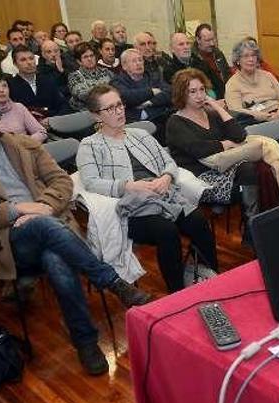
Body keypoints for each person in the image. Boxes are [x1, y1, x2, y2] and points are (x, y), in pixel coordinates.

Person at [0, 90, 151, 375]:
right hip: (8, 240)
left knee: (55, 259)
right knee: (44, 228)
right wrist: (17, 209)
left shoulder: (20, 144)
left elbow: (60, 180)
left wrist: (44, 205)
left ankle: (85, 341)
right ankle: (112, 282)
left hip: (51, 227)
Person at [76, 84, 218, 293]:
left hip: (163, 194)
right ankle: (178, 292)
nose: (119, 111)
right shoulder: (89, 145)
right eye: (110, 108)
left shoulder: (140, 134)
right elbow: (90, 182)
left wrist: (167, 177)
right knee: (166, 231)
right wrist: (128, 186)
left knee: (198, 221)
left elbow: (168, 162)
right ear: (96, 116)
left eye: (120, 105)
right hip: (132, 207)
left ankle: (210, 276)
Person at [166, 69, 279, 245]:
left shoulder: (211, 114)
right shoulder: (175, 122)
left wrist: (216, 107)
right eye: (192, 91)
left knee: (257, 168)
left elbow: (239, 135)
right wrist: (225, 144)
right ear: (181, 94)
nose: (199, 95)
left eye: (201, 90)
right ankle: (256, 226)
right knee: (252, 169)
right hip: (200, 178)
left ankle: (254, 227)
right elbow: (198, 149)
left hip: (225, 168)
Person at [225, 38, 279, 154]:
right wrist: (263, 116)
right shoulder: (232, 84)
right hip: (257, 121)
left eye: (254, 55)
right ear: (237, 61)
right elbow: (236, 111)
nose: (251, 59)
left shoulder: (267, 75)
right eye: (246, 56)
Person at [111, 48, 172, 142]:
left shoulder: (152, 76)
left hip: (160, 118)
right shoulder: (117, 81)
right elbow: (127, 97)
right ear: (124, 66)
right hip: (135, 124)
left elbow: (169, 93)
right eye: (134, 61)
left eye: (140, 60)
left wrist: (150, 102)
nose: (138, 63)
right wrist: (152, 92)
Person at [0, 71, 47, 142]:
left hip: (25, 149)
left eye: (4, 86)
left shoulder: (19, 107)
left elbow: (41, 132)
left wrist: (25, 142)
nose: (2, 90)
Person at [8, 44, 69, 118]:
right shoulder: (10, 85)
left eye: (31, 58)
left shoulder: (47, 80)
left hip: (52, 123)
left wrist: (52, 120)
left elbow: (62, 105)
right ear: (15, 64)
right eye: (23, 60)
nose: (29, 62)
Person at [162, 32, 224, 99]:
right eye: (181, 44)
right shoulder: (169, 70)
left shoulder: (200, 62)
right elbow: (181, 96)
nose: (186, 47)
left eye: (188, 43)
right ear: (172, 49)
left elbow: (219, 85)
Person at [67, 42, 113, 111]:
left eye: (92, 56)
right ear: (79, 61)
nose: (89, 59)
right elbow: (83, 95)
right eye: (85, 57)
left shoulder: (106, 72)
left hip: (109, 109)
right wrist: (107, 92)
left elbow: (117, 88)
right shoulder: (74, 76)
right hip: (86, 113)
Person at [192, 24, 230, 98]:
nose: (212, 43)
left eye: (213, 39)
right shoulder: (193, 59)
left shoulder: (218, 53)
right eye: (207, 40)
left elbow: (227, 73)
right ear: (198, 40)